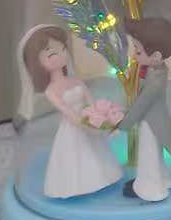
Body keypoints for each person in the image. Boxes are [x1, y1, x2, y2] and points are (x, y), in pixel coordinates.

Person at [19, 23, 124, 199]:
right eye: (52, 54)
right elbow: (67, 112)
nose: (61, 55)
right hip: (74, 127)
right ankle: (79, 186)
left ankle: (102, 180)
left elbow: (91, 102)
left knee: (97, 152)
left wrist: (102, 118)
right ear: (37, 63)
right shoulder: (51, 90)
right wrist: (86, 124)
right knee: (76, 158)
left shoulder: (75, 81)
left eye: (63, 49)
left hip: (88, 121)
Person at [119, 16, 171, 202]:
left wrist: (123, 124)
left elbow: (141, 104)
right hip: (155, 120)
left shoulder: (155, 80)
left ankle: (149, 189)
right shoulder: (157, 69)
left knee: (148, 154)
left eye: (138, 51)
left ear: (156, 56)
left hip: (151, 121)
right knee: (154, 154)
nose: (134, 56)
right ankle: (161, 180)